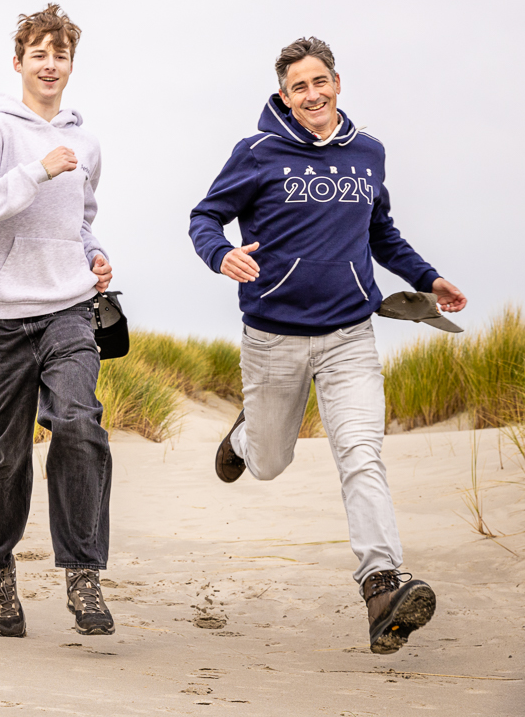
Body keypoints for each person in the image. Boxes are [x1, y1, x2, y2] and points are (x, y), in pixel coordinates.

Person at [189, 37, 467, 655]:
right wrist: (222, 253)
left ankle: (381, 586)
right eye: (298, 88)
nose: (312, 95)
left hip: (350, 335)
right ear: (284, 96)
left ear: (337, 83)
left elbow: (380, 232)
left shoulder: (368, 153)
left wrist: (426, 278)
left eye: (320, 82)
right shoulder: (257, 152)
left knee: (361, 455)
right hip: (273, 338)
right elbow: (204, 217)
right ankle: (243, 436)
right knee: (269, 462)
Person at [0, 4, 116, 638]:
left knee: (79, 423)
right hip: (3, 318)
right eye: (38, 54)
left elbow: (81, 220)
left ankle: (82, 573)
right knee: (4, 459)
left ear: (72, 65)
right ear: (18, 62)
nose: (50, 65)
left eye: (61, 55)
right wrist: (36, 170)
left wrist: (93, 253)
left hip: (69, 310)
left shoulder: (87, 142)